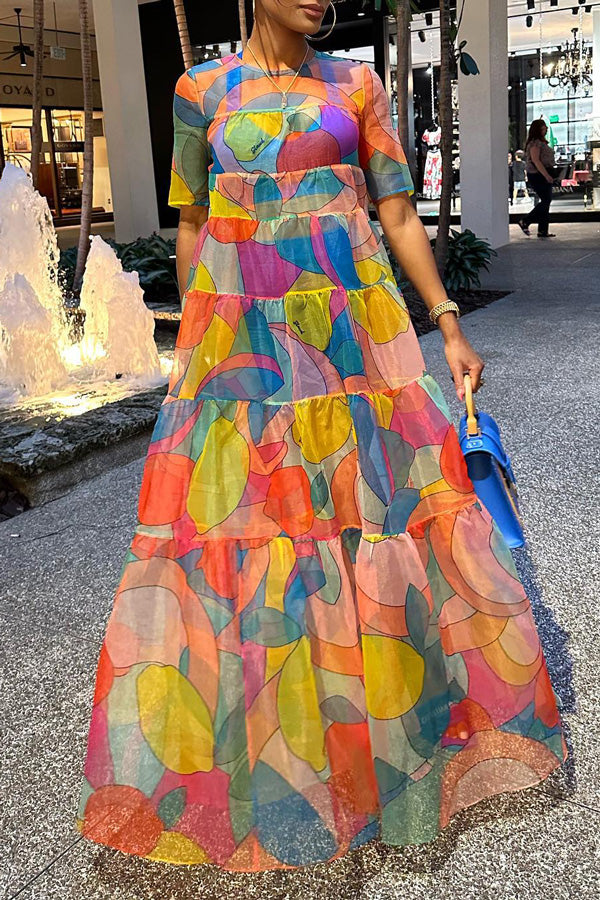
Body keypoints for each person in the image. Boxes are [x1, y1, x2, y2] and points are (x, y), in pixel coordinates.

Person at [75, 0, 568, 871]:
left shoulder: (356, 84)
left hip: (351, 339)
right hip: (243, 346)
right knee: (252, 529)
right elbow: (191, 224)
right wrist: (196, 347)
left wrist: (448, 323)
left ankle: (389, 737)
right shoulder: (201, 90)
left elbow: (398, 213)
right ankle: (280, 753)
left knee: (370, 515)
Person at [518, 120, 557, 238]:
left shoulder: (541, 142)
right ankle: (526, 220)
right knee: (546, 200)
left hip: (542, 173)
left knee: (546, 201)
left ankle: (543, 230)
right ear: (538, 129)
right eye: (544, 127)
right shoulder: (535, 143)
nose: (546, 129)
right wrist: (546, 175)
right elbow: (536, 160)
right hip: (537, 174)